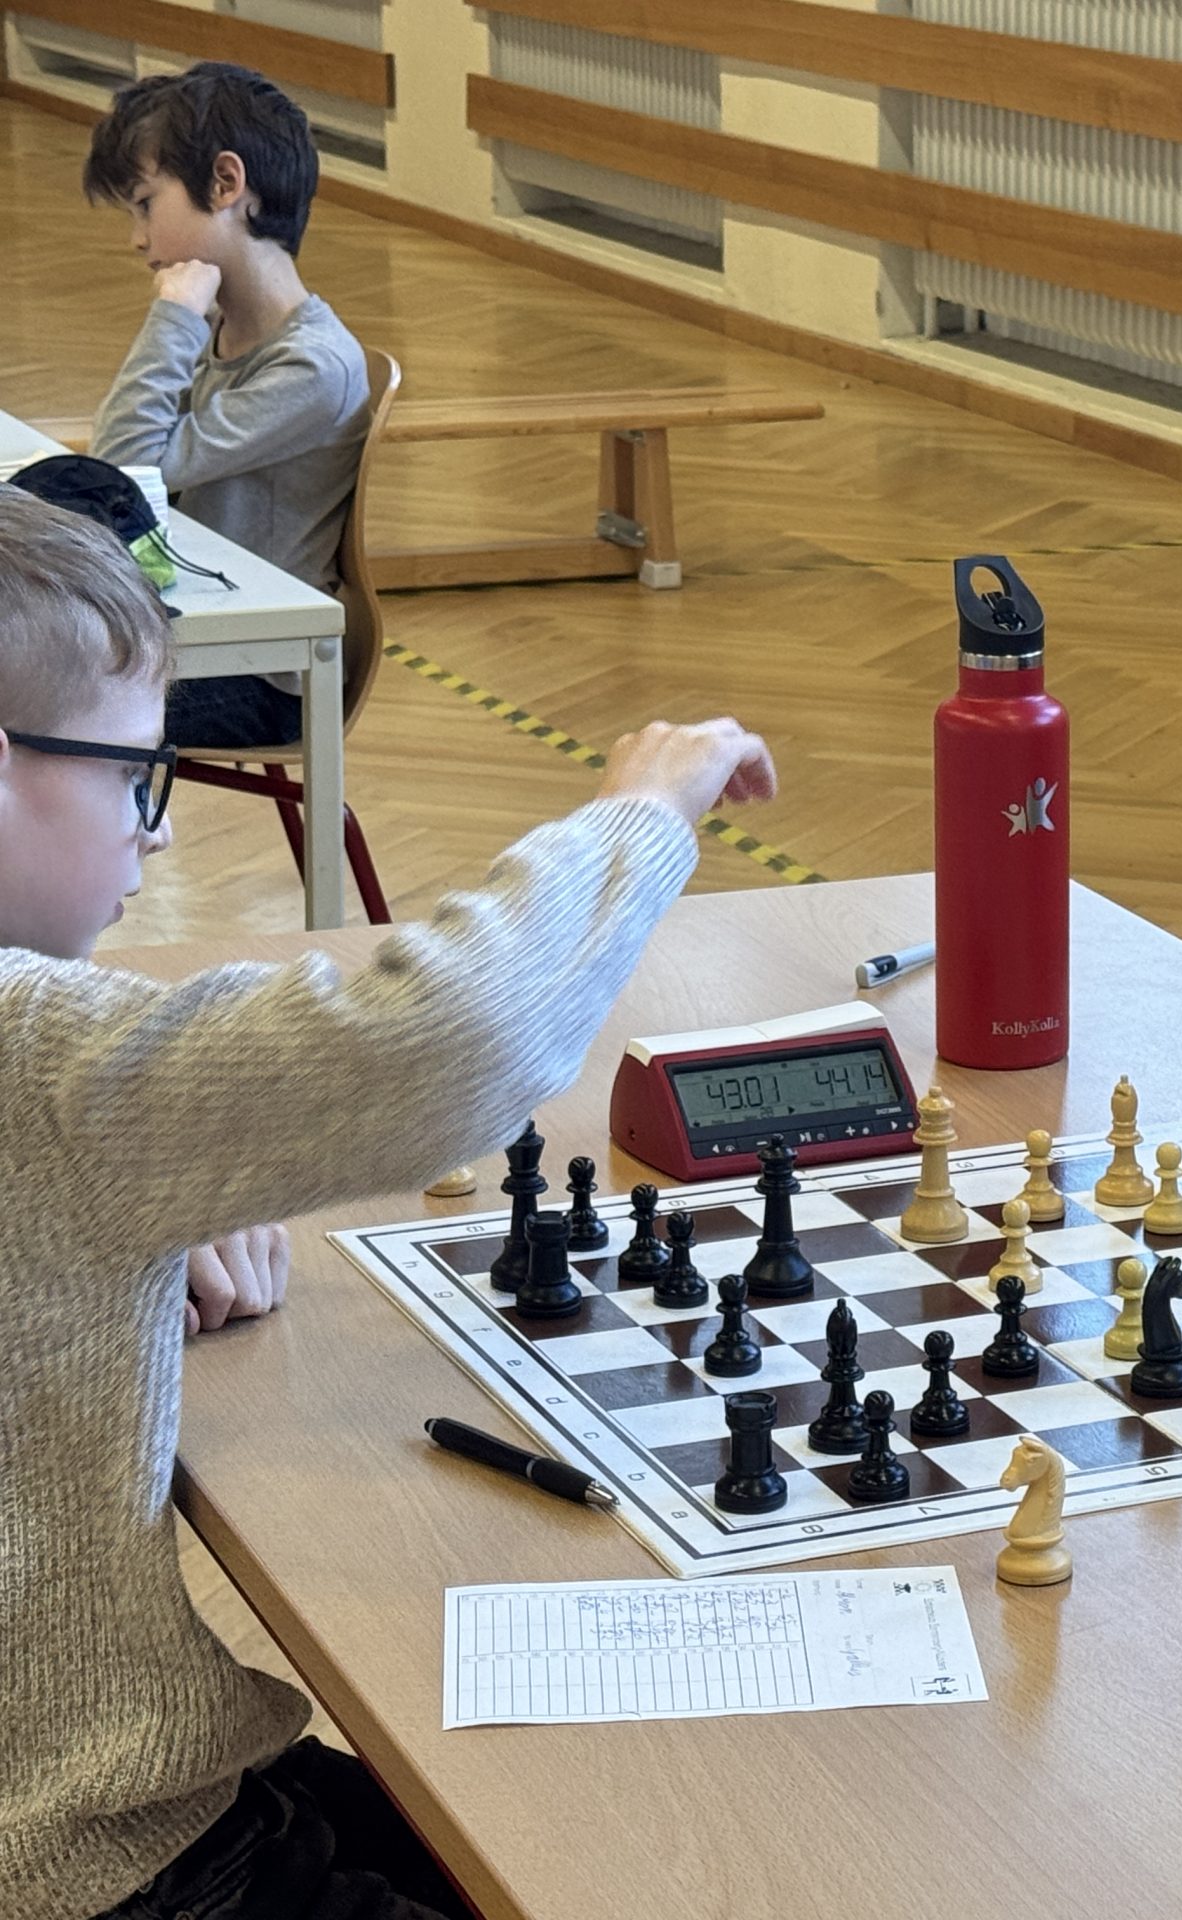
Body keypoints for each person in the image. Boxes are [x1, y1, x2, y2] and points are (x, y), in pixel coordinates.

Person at [0, 488, 779, 1919]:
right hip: (95, 1870)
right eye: (135, 777)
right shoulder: (35, 1062)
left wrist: (149, 1207)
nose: (156, 838)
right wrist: (640, 812)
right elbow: (448, 1039)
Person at [81, 61, 370, 750]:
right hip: (191, 631)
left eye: (145, 204)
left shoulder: (313, 365)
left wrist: (174, 318)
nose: (137, 239)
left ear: (225, 184)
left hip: (260, 674)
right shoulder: (217, 328)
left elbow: (125, 467)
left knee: (29, 695)